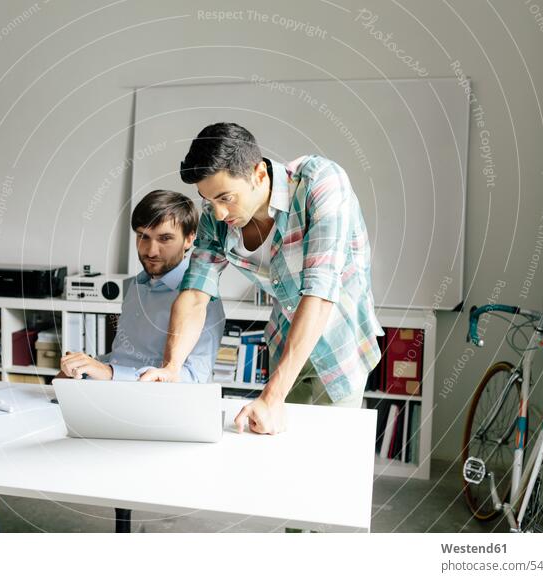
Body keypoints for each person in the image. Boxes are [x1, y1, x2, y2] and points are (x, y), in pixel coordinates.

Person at [141, 122, 383, 435]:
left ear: (258, 174)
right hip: (285, 338)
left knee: (324, 460)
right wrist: (172, 367)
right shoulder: (217, 216)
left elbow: (320, 293)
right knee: (275, 454)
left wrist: (272, 396)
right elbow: (196, 291)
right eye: (208, 200)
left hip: (339, 344)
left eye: (225, 198)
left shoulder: (321, 183)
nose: (217, 213)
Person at [58, 189, 225, 533]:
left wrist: (108, 372)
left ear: (190, 239)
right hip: (113, 401)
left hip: (157, 418)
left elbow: (192, 380)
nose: (150, 251)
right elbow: (123, 353)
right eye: (143, 237)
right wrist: (85, 367)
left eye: (165, 239)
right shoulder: (137, 285)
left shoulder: (200, 299)